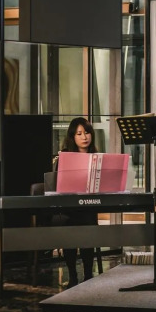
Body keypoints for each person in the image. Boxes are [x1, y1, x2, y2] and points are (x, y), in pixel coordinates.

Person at [53, 117, 101, 287]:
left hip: (89, 205)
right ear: (72, 137)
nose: (84, 137)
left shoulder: (96, 157)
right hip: (69, 206)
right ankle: (73, 277)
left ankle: (88, 275)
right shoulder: (64, 157)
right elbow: (57, 184)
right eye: (79, 134)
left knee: (88, 222)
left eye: (87, 132)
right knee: (71, 226)